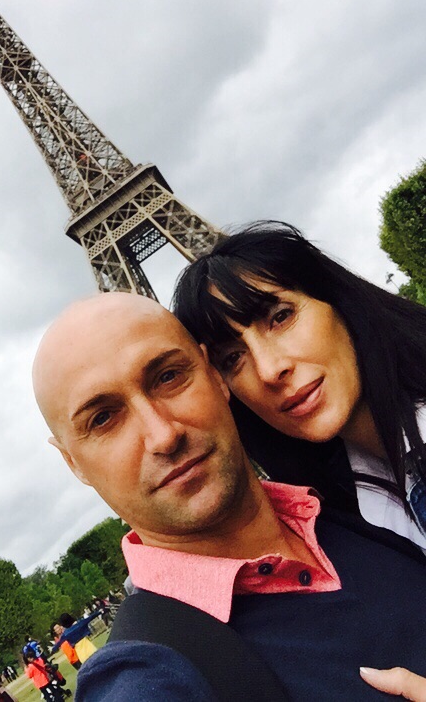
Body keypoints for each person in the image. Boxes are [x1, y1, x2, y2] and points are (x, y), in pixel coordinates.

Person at [32, 291, 426, 700]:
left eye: (168, 376)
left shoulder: (353, 506)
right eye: (102, 418)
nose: (163, 435)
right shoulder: (146, 682)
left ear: (215, 375)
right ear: (73, 463)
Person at [172, 221, 426, 550]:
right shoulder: (342, 519)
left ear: (337, 300)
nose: (268, 370)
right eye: (232, 358)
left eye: (281, 317)